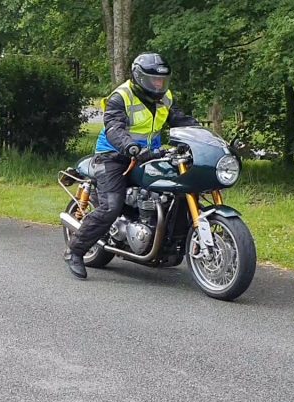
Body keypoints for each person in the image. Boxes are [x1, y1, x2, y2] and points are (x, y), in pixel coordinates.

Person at [64, 52, 199, 279]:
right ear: (139, 77)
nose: (159, 85)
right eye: (153, 80)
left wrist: (206, 136)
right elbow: (114, 128)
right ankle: (74, 251)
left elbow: (182, 121)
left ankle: (164, 240)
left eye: (162, 80)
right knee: (111, 206)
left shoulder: (165, 98)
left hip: (150, 156)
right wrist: (131, 148)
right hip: (114, 156)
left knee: (177, 190)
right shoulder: (121, 97)